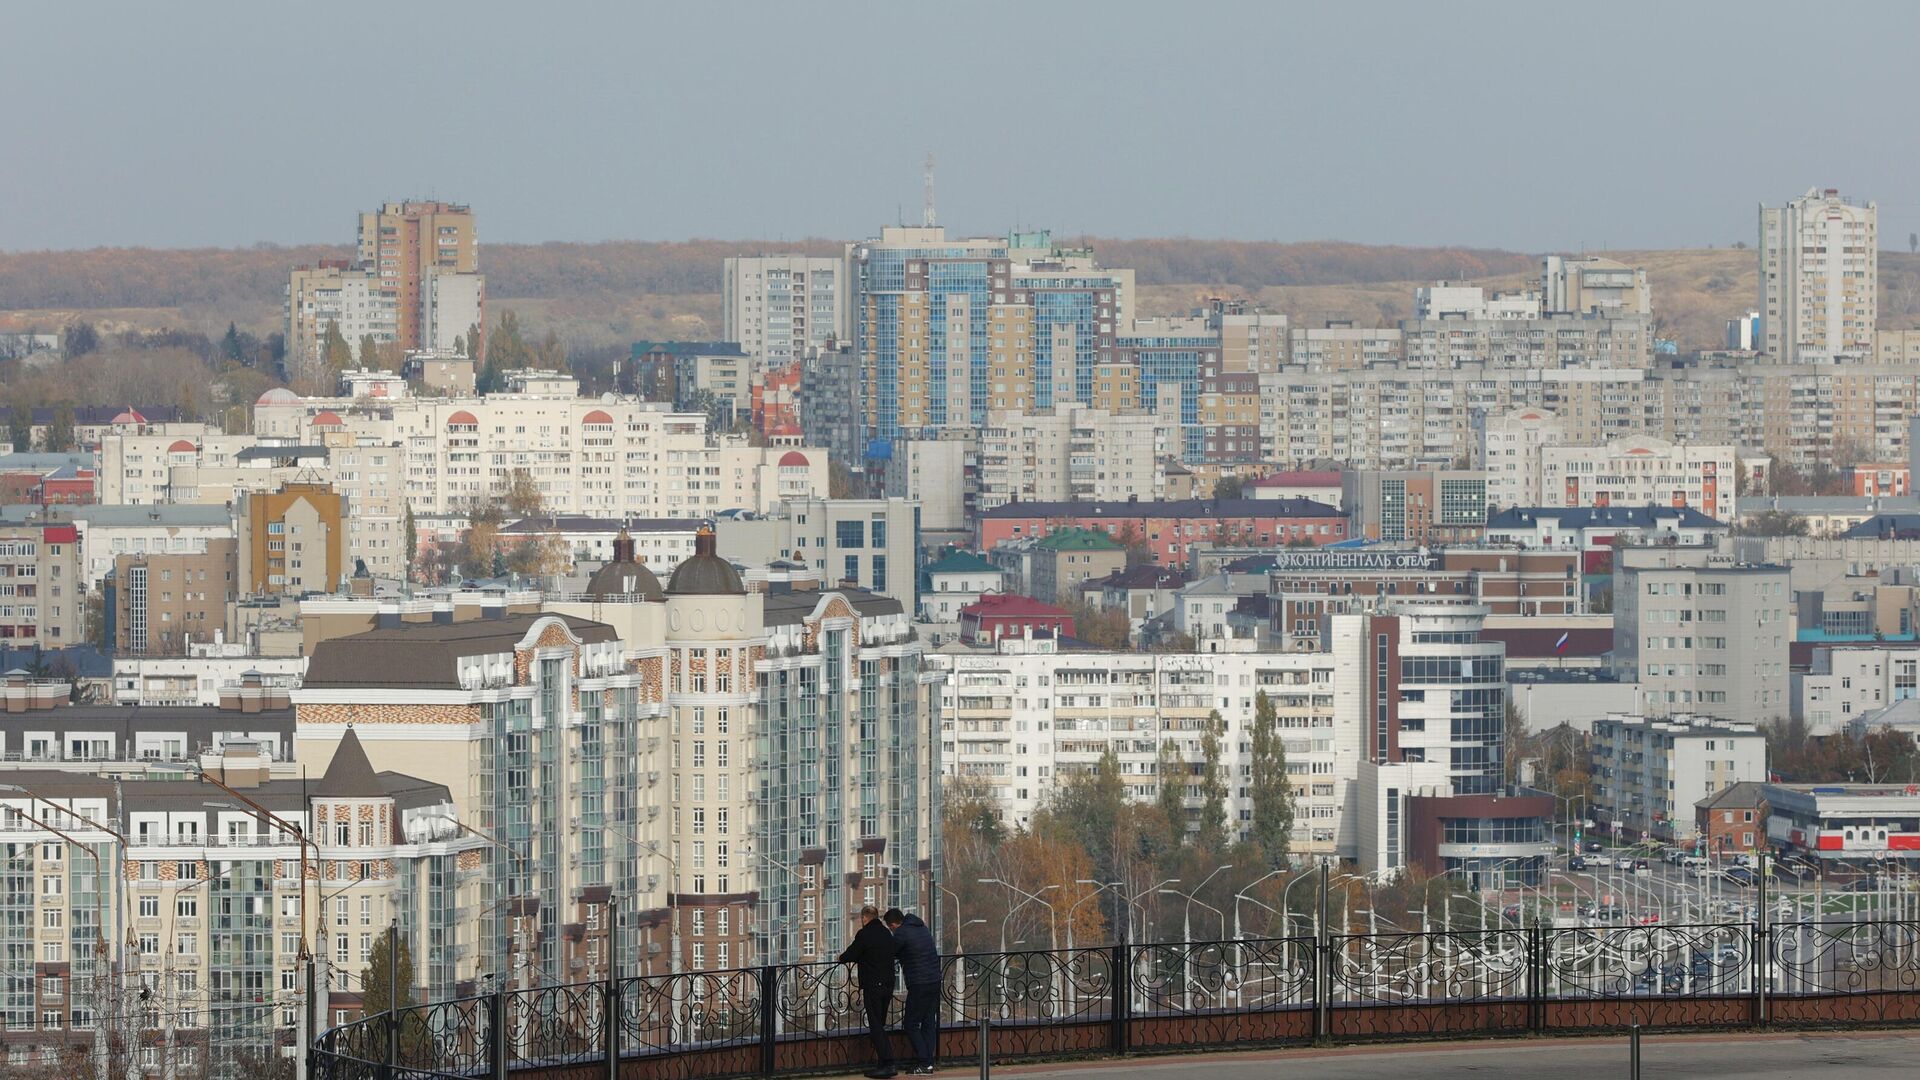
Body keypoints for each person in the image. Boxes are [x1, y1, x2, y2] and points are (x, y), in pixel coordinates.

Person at [839, 904, 900, 1078]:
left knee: (875, 1025)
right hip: (888, 984)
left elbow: (852, 954)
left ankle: (888, 1063)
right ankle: (883, 1063)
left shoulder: (864, 934)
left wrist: (841, 958)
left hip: (873, 985)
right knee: (879, 1023)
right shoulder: (886, 934)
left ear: (865, 918)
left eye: (862, 919)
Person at [885, 908, 941, 1075]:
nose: (892, 931)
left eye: (890, 928)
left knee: (910, 1024)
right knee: (929, 1022)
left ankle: (924, 1062)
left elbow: (889, 951)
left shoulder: (901, 933)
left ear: (893, 924)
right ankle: (928, 1063)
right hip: (934, 980)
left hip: (919, 983)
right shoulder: (921, 927)